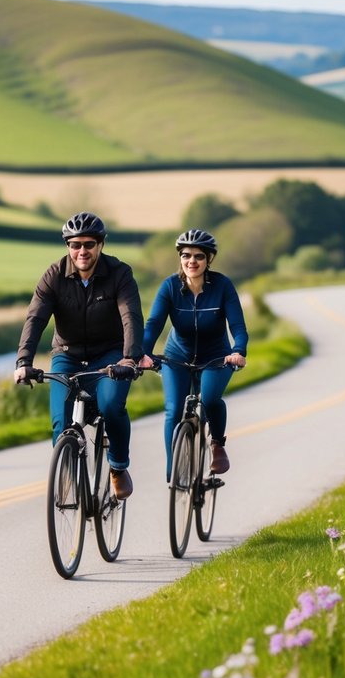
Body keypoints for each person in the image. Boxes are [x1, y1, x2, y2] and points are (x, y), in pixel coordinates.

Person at [14, 211, 144, 499]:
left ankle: (118, 467)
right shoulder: (54, 275)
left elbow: (131, 317)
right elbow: (35, 319)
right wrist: (24, 361)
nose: (82, 251)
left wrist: (130, 358)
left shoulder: (119, 274)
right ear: (68, 247)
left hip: (110, 355)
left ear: (100, 245)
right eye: (75, 245)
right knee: (61, 422)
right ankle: (69, 472)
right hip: (67, 354)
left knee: (111, 405)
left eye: (89, 244)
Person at [140, 228, 248, 478]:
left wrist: (238, 350)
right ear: (180, 257)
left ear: (209, 259)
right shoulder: (170, 287)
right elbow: (153, 324)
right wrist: (143, 353)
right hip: (177, 356)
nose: (192, 261)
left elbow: (238, 327)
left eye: (199, 256)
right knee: (174, 409)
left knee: (209, 399)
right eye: (186, 255)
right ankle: (173, 471)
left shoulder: (222, 286)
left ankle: (217, 444)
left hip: (216, 357)